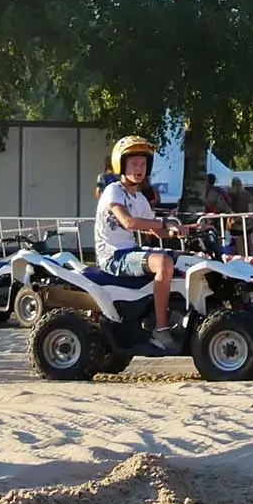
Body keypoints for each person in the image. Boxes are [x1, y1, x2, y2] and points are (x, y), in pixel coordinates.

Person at [94, 135, 183, 351]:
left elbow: (156, 230)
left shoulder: (140, 199)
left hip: (130, 252)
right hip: (113, 256)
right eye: (134, 163)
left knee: (184, 260)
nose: (139, 168)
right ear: (121, 164)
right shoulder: (114, 190)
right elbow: (129, 222)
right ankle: (161, 330)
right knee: (163, 263)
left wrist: (182, 230)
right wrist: (163, 221)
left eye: (143, 163)